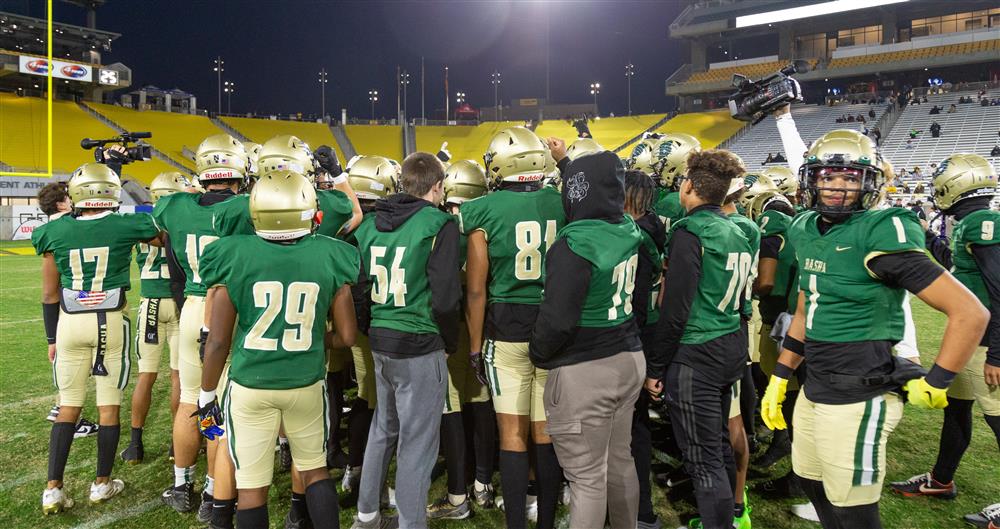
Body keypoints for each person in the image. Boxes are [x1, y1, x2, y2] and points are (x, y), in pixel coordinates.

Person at [760, 129, 988, 529]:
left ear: (869, 182)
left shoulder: (882, 228)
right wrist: (781, 375)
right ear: (811, 178)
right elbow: (804, 308)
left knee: (854, 512)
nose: (836, 188)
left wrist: (938, 380)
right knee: (814, 483)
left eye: (849, 177)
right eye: (828, 176)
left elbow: (969, 312)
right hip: (816, 384)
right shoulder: (805, 227)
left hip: (859, 390)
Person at [197, 170, 358, 529]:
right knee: (315, 470)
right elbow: (347, 336)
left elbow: (219, 341)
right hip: (305, 382)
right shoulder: (334, 254)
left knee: (253, 488)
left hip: (251, 386)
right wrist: (315, 339)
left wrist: (206, 392)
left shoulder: (230, 254)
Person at [33, 163, 160, 514]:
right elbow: (160, 237)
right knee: (108, 407)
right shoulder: (126, 224)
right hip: (110, 322)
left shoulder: (53, 232)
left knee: (68, 406)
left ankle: (53, 489)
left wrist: (50, 338)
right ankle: (102, 483)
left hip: (69, 324)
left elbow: (48, 294)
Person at [530, 150, 644, 529]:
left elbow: (557, 320)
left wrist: (538, 352)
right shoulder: (629, 227)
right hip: (628, 357)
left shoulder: (576, 242)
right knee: (619, 460)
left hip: (586, 369)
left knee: (587, 477)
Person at [459, 127, 566, 529]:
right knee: (545, 433)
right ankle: (547, 522)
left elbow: (475, 291)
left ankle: (517, 524)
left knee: (511, 435)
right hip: (553, 327)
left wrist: (473, 346)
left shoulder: (482, 210)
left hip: (505, 330)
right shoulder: (561, 203)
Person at [351, 152, 461, 529]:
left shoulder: (368, 226)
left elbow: (360, 290)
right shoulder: (438, 224)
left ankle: (367, 515)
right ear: (436, 186)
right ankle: (411, 524)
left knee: (383, 429)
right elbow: (446, 297)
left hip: (382, 339)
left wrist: (371, 328)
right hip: (419, 342)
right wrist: (450, 341)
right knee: (417, 445)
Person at [646, 149, 754, 529]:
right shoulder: (738, 229)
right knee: (719, 446)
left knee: (702, 458)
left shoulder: (690, 231)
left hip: (698, 351)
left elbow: (675, 310)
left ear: (688, 186)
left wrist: (656, 366)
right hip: (730, 344)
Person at [891, 154, 1000, 509]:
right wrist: (925, 236)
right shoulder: (971, 222)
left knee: (998, 420)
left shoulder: (983, 221)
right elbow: (957, 267)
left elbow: (999, 288)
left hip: (988, 344)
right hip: (974, 342)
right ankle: (941, 480)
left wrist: (998, 353)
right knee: (956, 409)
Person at [155, 134, 247, 516]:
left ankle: (180, 484)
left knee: (190, 401)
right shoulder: (246, 208)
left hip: (192, 306)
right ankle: (213, 491)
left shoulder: (174, 205)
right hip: (230, 309)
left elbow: (168, 247)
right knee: (219, 407)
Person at [425, 160, 495, 520]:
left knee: (451, 407)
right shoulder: (490, 227)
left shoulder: (444, 230)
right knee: (481, 401)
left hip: (454, 327)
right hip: (484, 329)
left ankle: (457, 495)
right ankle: (482, 483)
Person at [120, 173, 187, 466]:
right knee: (178, 377)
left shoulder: (142, 226)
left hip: (150, 304)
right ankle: (176, 442)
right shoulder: (183, 224)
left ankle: (135, 444)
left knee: (146, 376)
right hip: (179, 301)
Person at [619, 170, 666, 529]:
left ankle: (640, 510)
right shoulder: (654, 224)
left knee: (631, 428)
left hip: (635, 334)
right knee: (635, 426)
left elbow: (633, 298)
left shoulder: (638, 233)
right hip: (648, 331)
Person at [36, 181, 101, 437]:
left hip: (65, 301)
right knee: (77, 362)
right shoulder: (68, 225)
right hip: (76, 300)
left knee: (70, 359)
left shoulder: (51, 228)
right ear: (63, 202)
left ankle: (62, 404)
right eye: (70, 197)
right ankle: (65, 410)